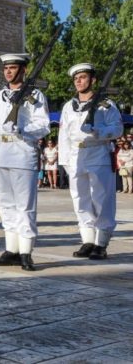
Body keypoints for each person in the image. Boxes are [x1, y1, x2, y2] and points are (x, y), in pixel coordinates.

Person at [0, 54, 50, 271]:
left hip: (22, 153)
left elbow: (43, 125)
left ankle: (26, 252)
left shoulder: (34, 94)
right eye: (6, 68)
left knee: (25, 206)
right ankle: (11, 249)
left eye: (13, 68)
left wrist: (23, 130)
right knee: (6, 204)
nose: (9, 72)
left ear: (24, 70)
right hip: (1, 153)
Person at [58, 63, 123, 260]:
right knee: (80, 199)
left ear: (92, 80)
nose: (78, 81)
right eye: (76, 78)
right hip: (76, 156)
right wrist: (65, 161)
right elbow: (64, 135)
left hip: (98, 153)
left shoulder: (106, 104)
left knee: (101, 199)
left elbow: (118, 129)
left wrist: (99, 132)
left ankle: (101, 243)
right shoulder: (69, 106)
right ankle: (87, 239)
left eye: (83, 77)